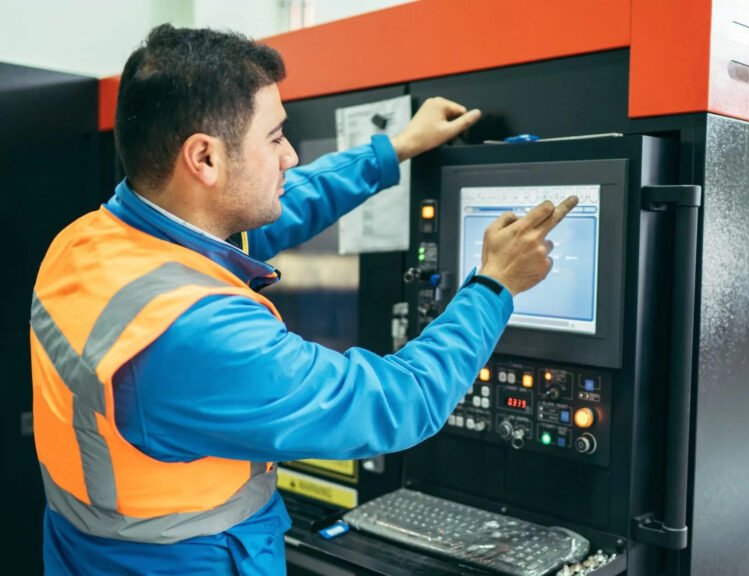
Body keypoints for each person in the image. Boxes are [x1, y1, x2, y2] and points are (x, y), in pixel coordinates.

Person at [30, 24, 577, 575]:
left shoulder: (88, 243)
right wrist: (493, 286)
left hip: (87, 552)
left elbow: (276, 206)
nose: (290, 155)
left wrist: (395, 150)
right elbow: (395, 404)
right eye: (274, 138)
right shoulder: (193, 333)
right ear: (205, 159)